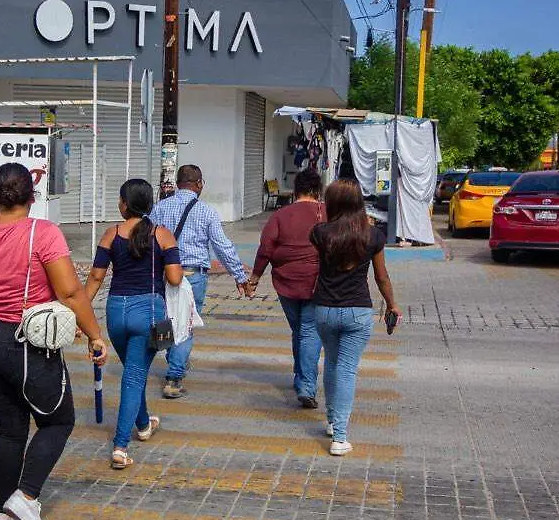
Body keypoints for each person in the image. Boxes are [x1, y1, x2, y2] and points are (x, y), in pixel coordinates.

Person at [0, 162, 108, 520]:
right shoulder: (43, 233)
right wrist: (94, 335)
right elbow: (69, 292)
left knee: (7, 430)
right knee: (59, 421)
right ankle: (26, 495)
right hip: (27, 342)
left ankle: (4, 515)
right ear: (32, 196)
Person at [84, 179, 183, 469]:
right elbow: (175, 278)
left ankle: (143, 424)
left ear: (125, 204)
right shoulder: (162, 235)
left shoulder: (110, 234)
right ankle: (120, 446)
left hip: (116, 312)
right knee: (135, 376)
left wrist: (81, 314)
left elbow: (95, 278)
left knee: (133, 371)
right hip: (149, 314)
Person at [308, 179, 401, 457]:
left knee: (332, 363)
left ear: (332, 204)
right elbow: (381, 277)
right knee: (347, 370)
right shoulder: (373, 236)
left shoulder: (320, 233)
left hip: (324, 308)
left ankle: (332, 421)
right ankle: (340, 437)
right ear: (359, 203)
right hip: (358, 311)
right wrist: (392, 304)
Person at [150, 164, 252, 399]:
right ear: (199, 184)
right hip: (192, 276)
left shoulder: (160, 208)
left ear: (177, 183)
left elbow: (148, 241)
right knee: (185, 325)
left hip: (165, 274)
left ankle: (176, 359)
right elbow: (222, 247)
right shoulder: (206, 212)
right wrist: (239, 275)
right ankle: (174, 377)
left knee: (168, 322)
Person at [247, 169, 326, 408]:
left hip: (286, 283)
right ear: (317, 190)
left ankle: (300, 376)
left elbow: (266, 249)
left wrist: (255, 278)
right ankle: (306, 386)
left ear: (296, 190)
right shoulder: (327, 213)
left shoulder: (281, 215)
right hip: (318, 283)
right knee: (309, 331)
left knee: (300, 329)